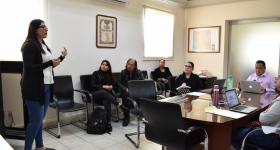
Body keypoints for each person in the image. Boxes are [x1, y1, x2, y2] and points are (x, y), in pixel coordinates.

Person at [21, 19, 67, 150]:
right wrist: (50, 63)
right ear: (34, 29)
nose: (46, 29)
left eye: (46, 27)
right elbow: (30, 68)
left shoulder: (43, 45)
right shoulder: (28, 45)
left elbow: (48, 66)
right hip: (34, 89)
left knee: (39, 120)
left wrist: (61, 58)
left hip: (47, 86)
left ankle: (40, 147)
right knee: (35, 122)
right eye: (43, 27)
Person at [232, 79, 280, 150]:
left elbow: (263, 119)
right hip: (274, 131)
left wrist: (264, 112)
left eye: (278, 79)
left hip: (273, 136)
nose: (275, 80)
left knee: (235, 132)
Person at [91, 60, 118, 132]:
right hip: (95, 95)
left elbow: (115, 84)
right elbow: (93, 86)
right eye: (102, 64)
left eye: (106, 65)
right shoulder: (95, 73)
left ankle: (108, 122)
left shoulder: (109, 75)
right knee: (103, 92)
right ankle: (117, 103)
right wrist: (105, 86)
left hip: (106, 96)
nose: (103, 66)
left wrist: (111, 87)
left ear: (108, 68)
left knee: (107, 100)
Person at [119, 58, 144, 126]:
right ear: (126, 64)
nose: (129, 66)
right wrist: (125, 89)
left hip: (136, 90)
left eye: (132, 64)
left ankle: (141, 113)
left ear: (135, 66)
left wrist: (136, 89)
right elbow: (119, 84)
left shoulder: (139, 72)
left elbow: (142, 82)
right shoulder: (123, 72)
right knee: (126, 96)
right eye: (128, 64)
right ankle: (126, 117)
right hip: (126, 91)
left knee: (144, 95)